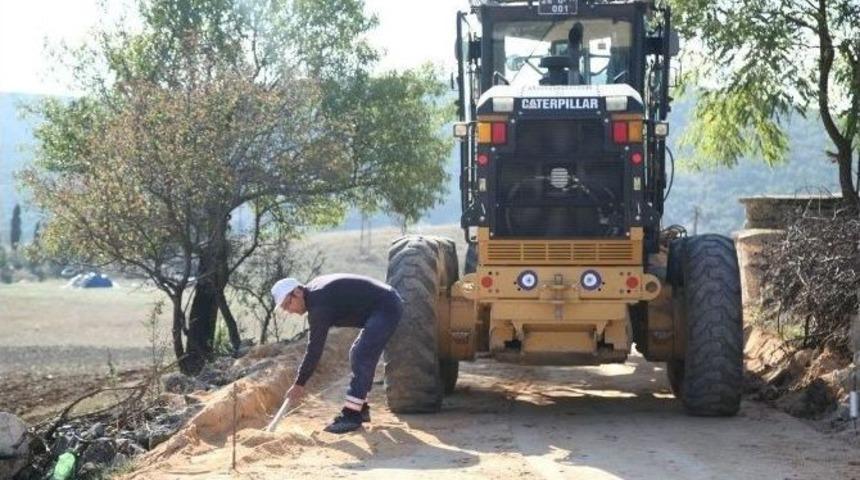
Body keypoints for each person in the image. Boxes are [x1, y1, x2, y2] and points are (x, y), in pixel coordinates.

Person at [271, 274, 403, 434]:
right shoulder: (314, 292)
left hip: (386, 307)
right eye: (285, 309)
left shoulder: (318, 305)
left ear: (297, 292)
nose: (289, 311)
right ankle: (360, 408)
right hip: (383, 304)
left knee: (362, 355)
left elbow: (314, 350)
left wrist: (299, 383)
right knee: (357, 353)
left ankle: (352, 415)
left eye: (287, 305)